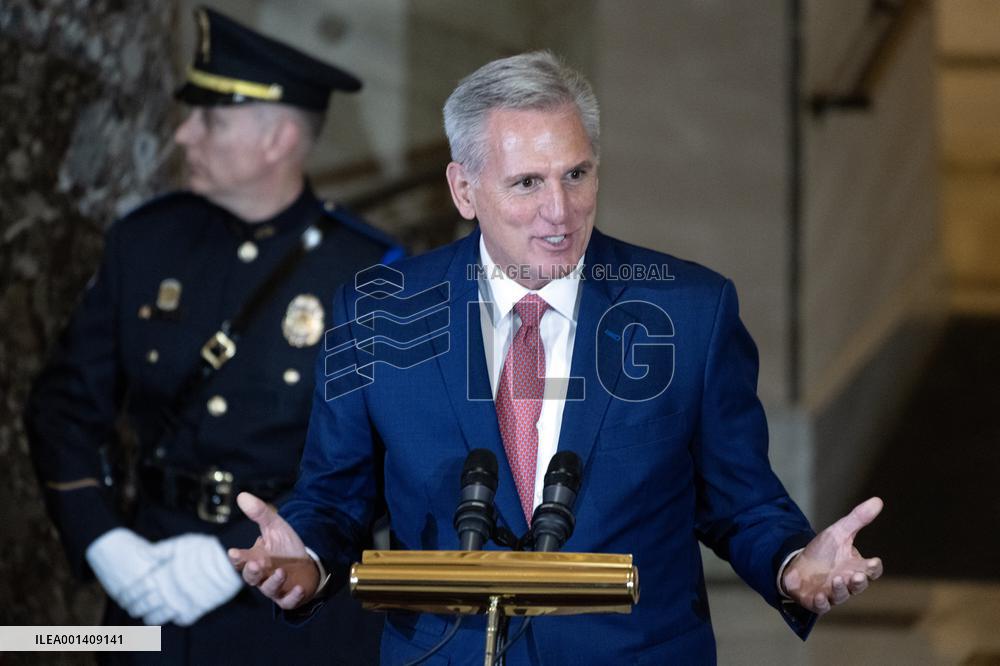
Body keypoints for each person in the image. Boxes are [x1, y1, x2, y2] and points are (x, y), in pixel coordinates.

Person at [230, 51, 883, 664]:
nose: (560, 211)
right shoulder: (379, 313)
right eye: (526, 183)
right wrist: (309, 559)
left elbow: (739, 501)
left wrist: (793, 562)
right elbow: (337, 498)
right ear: (464, 189)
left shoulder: (690, 311)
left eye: (576, 173)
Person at [24, 6, 400, 665]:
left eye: (211, 119)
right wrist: (103, 542)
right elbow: (63, 407)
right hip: (146, 590)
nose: (183, 134)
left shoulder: (370, 272)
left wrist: (235, 555)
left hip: (293, 613)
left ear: (278, 138)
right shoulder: (145, 242)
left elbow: (386, 455)